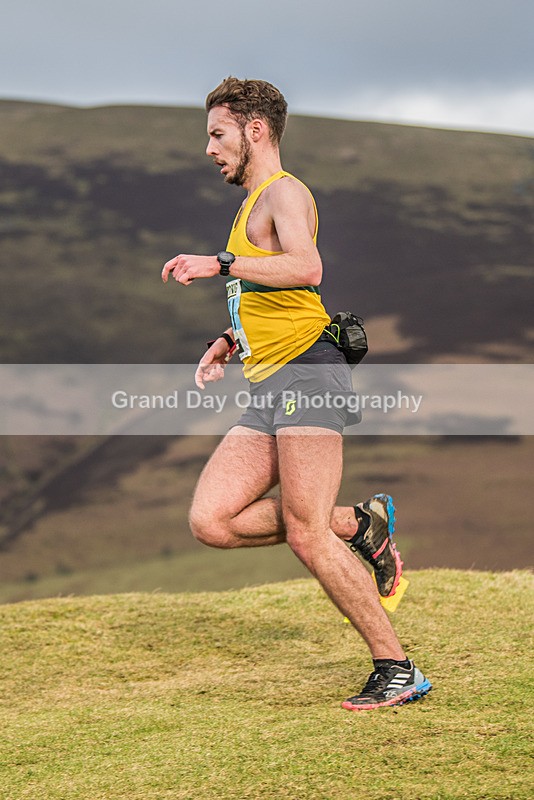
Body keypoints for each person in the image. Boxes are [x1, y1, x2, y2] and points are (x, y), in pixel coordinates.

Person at [162, 77, 431, 710]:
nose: (209, 149)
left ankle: (397, 668)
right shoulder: (250, 204)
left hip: (308, 372)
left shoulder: (284, 191)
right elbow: (276, 293)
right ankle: (359, 524)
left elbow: (307, 268)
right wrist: (230, 338)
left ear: (254, 130)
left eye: (218, 134)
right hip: (270, 379)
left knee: (308, 535)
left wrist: (218, 263)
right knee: (212, 520)